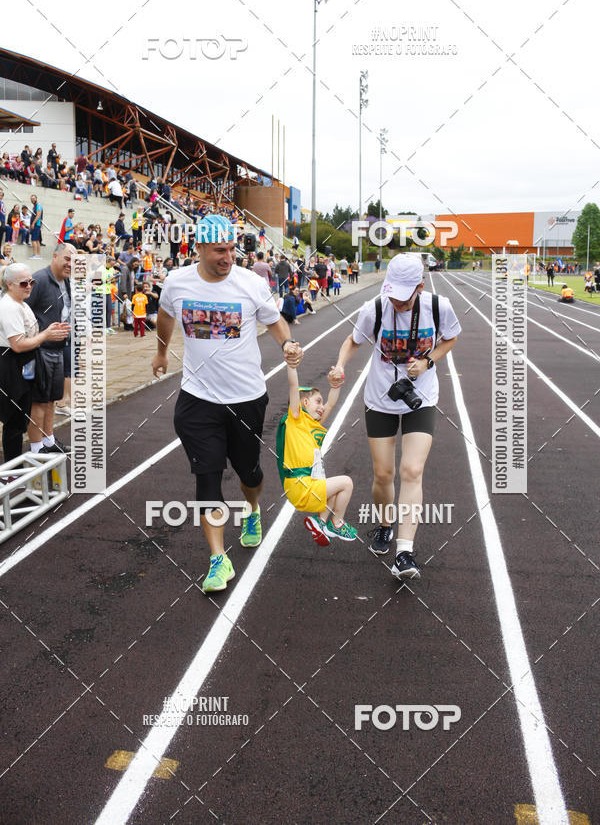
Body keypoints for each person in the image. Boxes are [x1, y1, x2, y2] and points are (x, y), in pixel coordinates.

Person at [151, 214, 303, 593]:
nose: (228, 257)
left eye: (233, 249)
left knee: (248, 470)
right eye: (220, 250)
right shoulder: (176, 282)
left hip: (246, 397)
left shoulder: (251, 283)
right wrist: (161, 353)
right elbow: (166, 316)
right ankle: (218, 558)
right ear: (199, 248)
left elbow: (275, 321)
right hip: (198, 399)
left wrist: (286, 345)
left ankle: (252, 510)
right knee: (208, 477)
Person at [330, 253, 461, 580]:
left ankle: (405, 552)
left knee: (412, 469)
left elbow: (451, 338)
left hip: (421, 397)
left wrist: (429, 360)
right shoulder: (375, 308)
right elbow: (352, 341)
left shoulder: (438, 307)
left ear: (420, 286)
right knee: (384, 475)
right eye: (393, 295)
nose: (397, 303)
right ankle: (385, 523)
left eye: (404, 297)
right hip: (380, 398)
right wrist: (340, 366)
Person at [278, 364, 357, 545]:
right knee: (346, 483)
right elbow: (293, 386)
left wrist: (335, 386)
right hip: (300, 484)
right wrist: (291, 365)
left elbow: (331, 403)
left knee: (336, 493)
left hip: (305, 485)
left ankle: (320, 523)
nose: (322, 406)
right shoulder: (296, 419)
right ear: (305, 403)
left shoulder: (312, 424)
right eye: (318, 401)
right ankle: (336, 524)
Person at [0, 264, 70, 461]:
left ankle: (17, 466)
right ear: (9, 284)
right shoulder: (9, 307)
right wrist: (46, 334)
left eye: (31, 281)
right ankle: (11, 472)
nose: (29, 286)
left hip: (25, 361)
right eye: (24, 283)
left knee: (21, 418)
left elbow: (28, 337)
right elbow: (18, 345)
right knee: (14, 420)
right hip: (13, 363)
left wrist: (49, 332)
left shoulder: (21, 303)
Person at [25, 244, 75, 455]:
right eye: (66, 258)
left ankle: (49, 441)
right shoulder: (39, 280)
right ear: (54, 256)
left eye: (74, 261)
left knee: (51, 399)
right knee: (38, 400)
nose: (70, 264)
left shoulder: (67, 282)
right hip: (39, 350)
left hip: (58, 348)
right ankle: (36, 449)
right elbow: (23, 311)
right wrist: (37, 337)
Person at [29, 194, 43, 259]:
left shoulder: (38, 205)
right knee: (37, 240)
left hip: (36, 225)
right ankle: (38, 255)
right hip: (35, 225)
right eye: (31, 199)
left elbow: (38, 215)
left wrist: (33, 223)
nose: (32, 200)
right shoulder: (34, 206)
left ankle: (35, 254)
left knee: (34, 240)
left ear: (36, 198)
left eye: (34, 198)